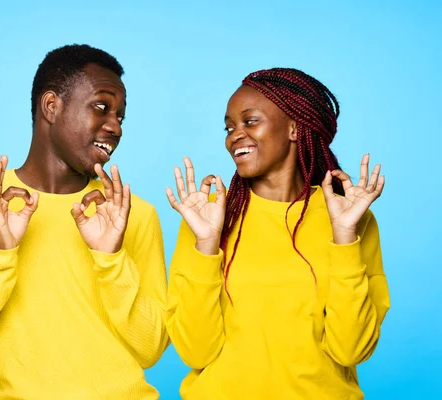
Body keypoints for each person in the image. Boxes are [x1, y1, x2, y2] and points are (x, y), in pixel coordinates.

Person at [0, 44, 169, 399]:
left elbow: (151, 348)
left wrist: (112, 259)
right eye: (102, 108)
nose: (115, 126)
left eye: (121, 116)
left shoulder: (131, 214)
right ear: (51, 107)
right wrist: (0, 254)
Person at [165, 68, 390, 399]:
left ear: (294, 128)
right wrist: (206, 244)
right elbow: (195, 352)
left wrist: (344, 237)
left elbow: (351, 350)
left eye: (250, 121)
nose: (234, 136)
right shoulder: (208, 220)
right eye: (229, 127)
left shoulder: (349, 219)